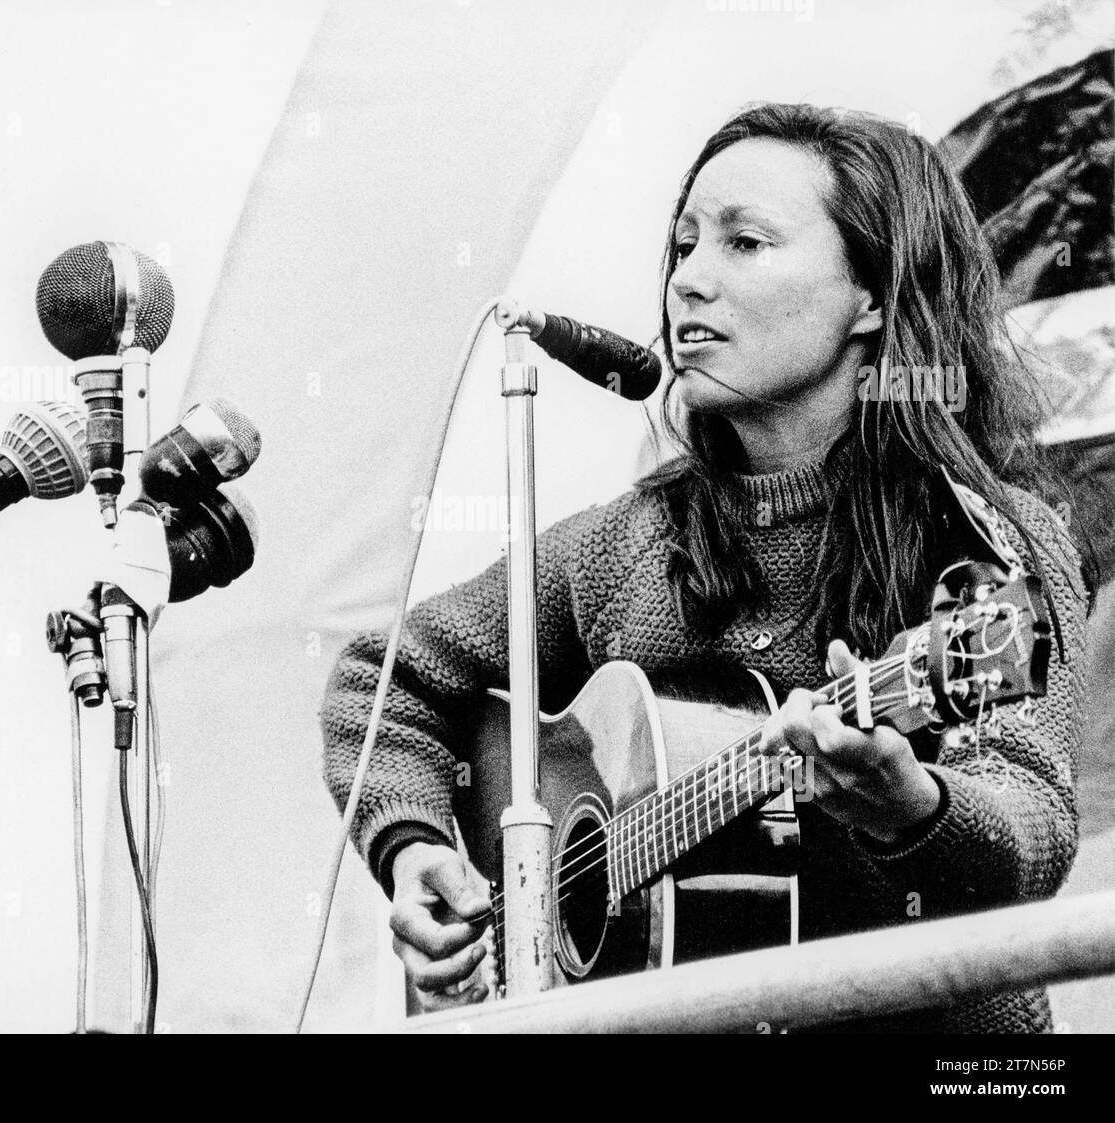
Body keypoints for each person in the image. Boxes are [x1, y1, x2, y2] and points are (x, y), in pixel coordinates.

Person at [320, 102, 1093, 1031]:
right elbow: (383, 680)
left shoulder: (991, 541)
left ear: (874, 295)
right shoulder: (626, 543)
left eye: (745, 243)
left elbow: (1033, 828)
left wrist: (914, 806)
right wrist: (411, 850)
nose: (689, 280)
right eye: (685, 245)